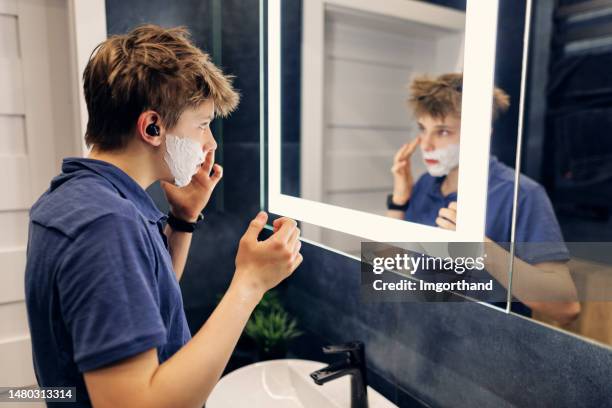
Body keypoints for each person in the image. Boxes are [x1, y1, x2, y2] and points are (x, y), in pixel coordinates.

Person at [24, 25, 303, 407]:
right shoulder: (105, 224)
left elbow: (136, 302)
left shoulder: (74, 198)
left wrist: (183, 219)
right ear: (153, 127)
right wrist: (250, 284)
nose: (211, 143)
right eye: (203, 125)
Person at [386, 73, 580, 325]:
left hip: (488, 348)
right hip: (427, 337)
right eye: (422, 129)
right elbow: (396, 267)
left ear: (479, 134)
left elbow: (566, 308)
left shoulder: (520, 194)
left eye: (442, 131)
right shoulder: (424, 184)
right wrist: (399, 201)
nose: (426, 144)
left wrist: (479, 248)